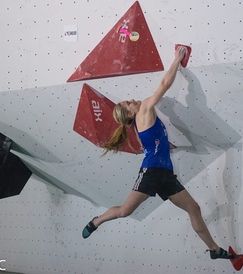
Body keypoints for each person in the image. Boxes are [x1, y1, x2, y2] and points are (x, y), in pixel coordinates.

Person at [82, 46, 234, 260]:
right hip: (152, 171)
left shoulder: (142, 114)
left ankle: (214, 249)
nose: (133, 99)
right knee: (126, 211)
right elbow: (164, 85)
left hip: (165, 174)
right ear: (129, 112)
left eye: (129, 99)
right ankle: (96, 221)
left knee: (194, 209)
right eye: (128, 102)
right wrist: (176, 60)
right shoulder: (143, 111)